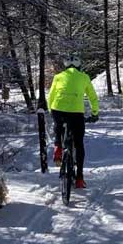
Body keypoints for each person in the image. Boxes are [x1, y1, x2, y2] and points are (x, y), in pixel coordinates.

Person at [47, 53, 99, 189]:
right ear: (79, 66)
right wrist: (95, 113)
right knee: (79, 144)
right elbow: (93, 96)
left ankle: (58, 146)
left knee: (58, 125)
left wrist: (51, 110)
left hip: (58, 109)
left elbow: (51, 95)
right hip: (76, 112)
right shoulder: (84, 77)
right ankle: (80, 178)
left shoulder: (58, 77)